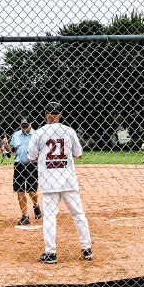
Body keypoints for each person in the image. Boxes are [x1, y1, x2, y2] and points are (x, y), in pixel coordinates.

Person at [27, 102, 92, 264]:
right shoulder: (69, 131)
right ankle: (87, 249)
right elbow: (79, 153)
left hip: (49, 181)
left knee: (50, 216)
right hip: (68, 179)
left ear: (45, 114)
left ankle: (50, 254)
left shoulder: (39, 133)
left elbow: (31, 157)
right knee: (78, 213)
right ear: (60, 115)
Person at [10, 116, 42, 226]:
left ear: (31, 125)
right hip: (19, 165)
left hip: (32, 165)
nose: (24, 129)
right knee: (20, 191)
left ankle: (36, 205)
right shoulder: (16, 135)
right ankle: (25, 216)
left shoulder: (36, 135)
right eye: (22, 126)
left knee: (31, 191)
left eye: (26, 126)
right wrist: (6, 147)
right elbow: (12, 149)